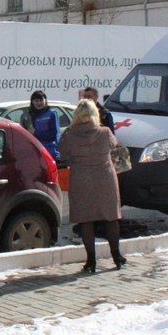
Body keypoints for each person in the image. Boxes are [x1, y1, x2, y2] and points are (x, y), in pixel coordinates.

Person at [59, 99, 126, 274]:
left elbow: (63, 153)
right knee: (111, 218)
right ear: (95, 114)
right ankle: (117, 257)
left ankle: (91, 261)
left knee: (86, 220)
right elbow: (115, 144)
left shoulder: (69, 134)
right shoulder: (105, 132)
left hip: (81, 179)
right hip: (105, 179)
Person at [18, 90, 61, 162]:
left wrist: (36, 133)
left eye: (41, 100)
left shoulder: (51, 114)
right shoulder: (28, 116)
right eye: (36, 101)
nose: (39, 103)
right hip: (33, 152)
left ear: (45, 100)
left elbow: (55, 134)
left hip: (48, 152)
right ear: (32, 102)